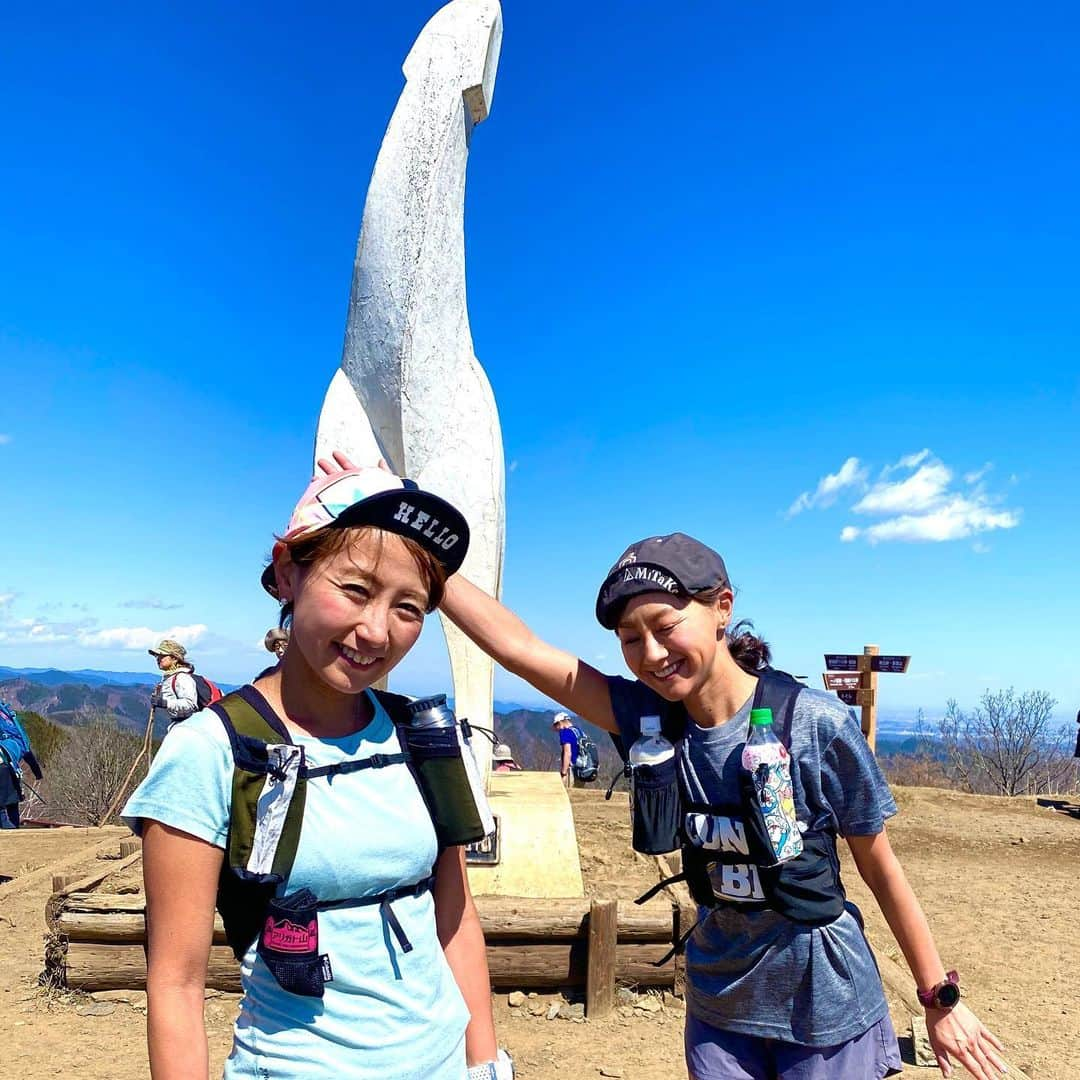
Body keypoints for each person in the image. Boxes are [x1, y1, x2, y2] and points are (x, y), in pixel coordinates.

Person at [438, 528, 1007, 1080]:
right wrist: (423, 554)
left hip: (824, 1005)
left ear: (722, 608)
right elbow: (522, 651)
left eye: (665, 626)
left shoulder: (813, 723)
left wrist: (939, 998)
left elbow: (880, 867)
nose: (651, 654)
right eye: (630, 639)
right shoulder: (646, 719)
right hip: (718, 1006)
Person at [122, 454, 512, 1080]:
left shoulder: (425, 735)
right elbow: (176, 982)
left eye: (409, 608)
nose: (376, 631)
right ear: (288, 571)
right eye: (354, 590)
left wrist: (486, 1062)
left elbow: (455, 914)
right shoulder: (211, 751)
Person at [0, 700, 42, 829]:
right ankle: (13, 826)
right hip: (8, 765)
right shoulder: (10, 719)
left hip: (5, 763)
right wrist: (38, 774)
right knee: (12, 802)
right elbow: (27, 751)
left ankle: (8, 824)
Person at [148, 639, 199, 732]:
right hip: (182, 727)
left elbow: (190, 705)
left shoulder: (182, 678)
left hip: (188, 728)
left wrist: (165, 703)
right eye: (157, 656)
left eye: (162, 656)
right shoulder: (170, 678)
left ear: (175, 659)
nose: (158, 659)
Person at [551, 711, 581, 787]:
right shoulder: (577, 731)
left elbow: (568, 753)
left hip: (572, 769)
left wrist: (563, 773)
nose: (556, 728)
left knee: (567, 794)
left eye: (556, 725)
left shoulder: (565, 732)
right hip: (581, 769)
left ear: (560, 723)